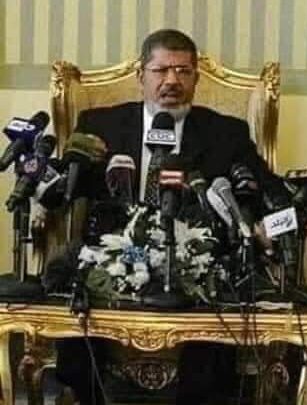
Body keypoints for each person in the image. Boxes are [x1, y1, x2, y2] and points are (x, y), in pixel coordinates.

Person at [53, 28, 287, 405]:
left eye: (183, 71)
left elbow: (267, 189)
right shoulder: (99, 125)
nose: (172, 81)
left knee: (216, 315)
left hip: (196, 258)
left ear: (195, 77)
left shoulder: (226, 133)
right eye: (161, 70)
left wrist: (272, 222)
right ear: (141, 75)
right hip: (112, 253)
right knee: (76, 298)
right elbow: (66, 186)